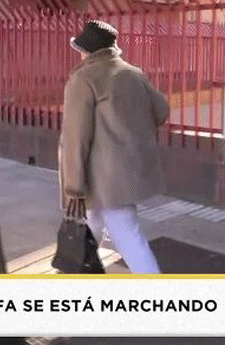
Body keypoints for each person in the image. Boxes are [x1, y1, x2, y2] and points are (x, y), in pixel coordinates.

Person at [59, 20, 170, 274]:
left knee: (127, 236)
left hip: (101, 177)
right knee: (90, 227)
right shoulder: (133, 73)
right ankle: (74, 275)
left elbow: (76, 136)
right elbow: (161, 110)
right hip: (125, 172)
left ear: (86, 50)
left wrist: (73, 185)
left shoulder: (83, 78)